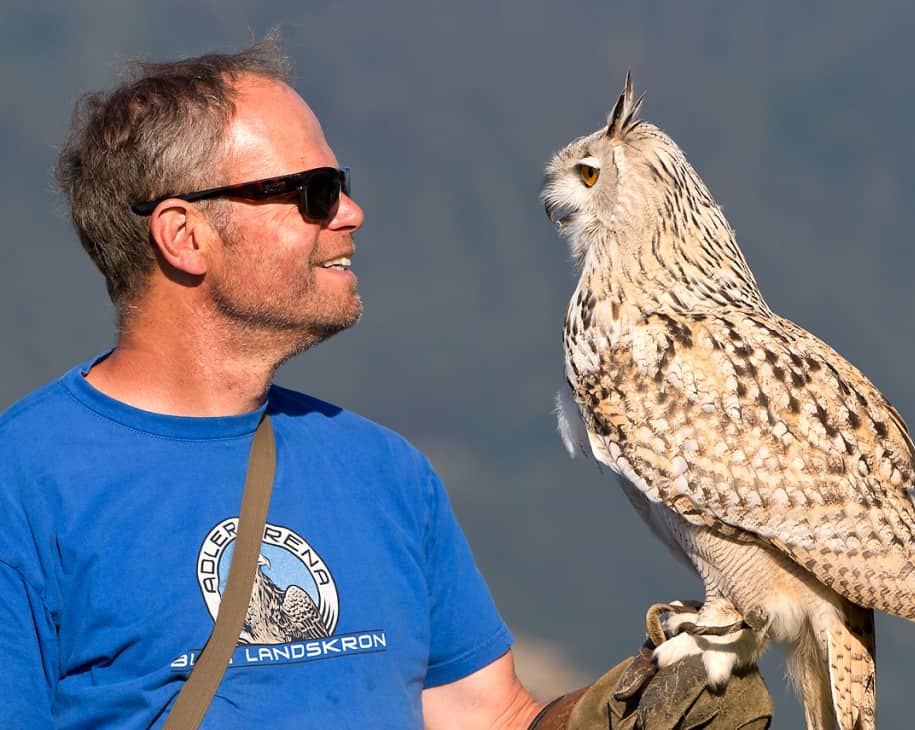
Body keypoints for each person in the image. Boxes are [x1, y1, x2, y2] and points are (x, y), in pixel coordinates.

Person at [0, 36, 771, 728]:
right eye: (314, 192)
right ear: (184, 235)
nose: (353, 213)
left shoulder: (384, 471)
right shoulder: (27, 481)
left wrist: (615, 717)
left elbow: (489, 716)